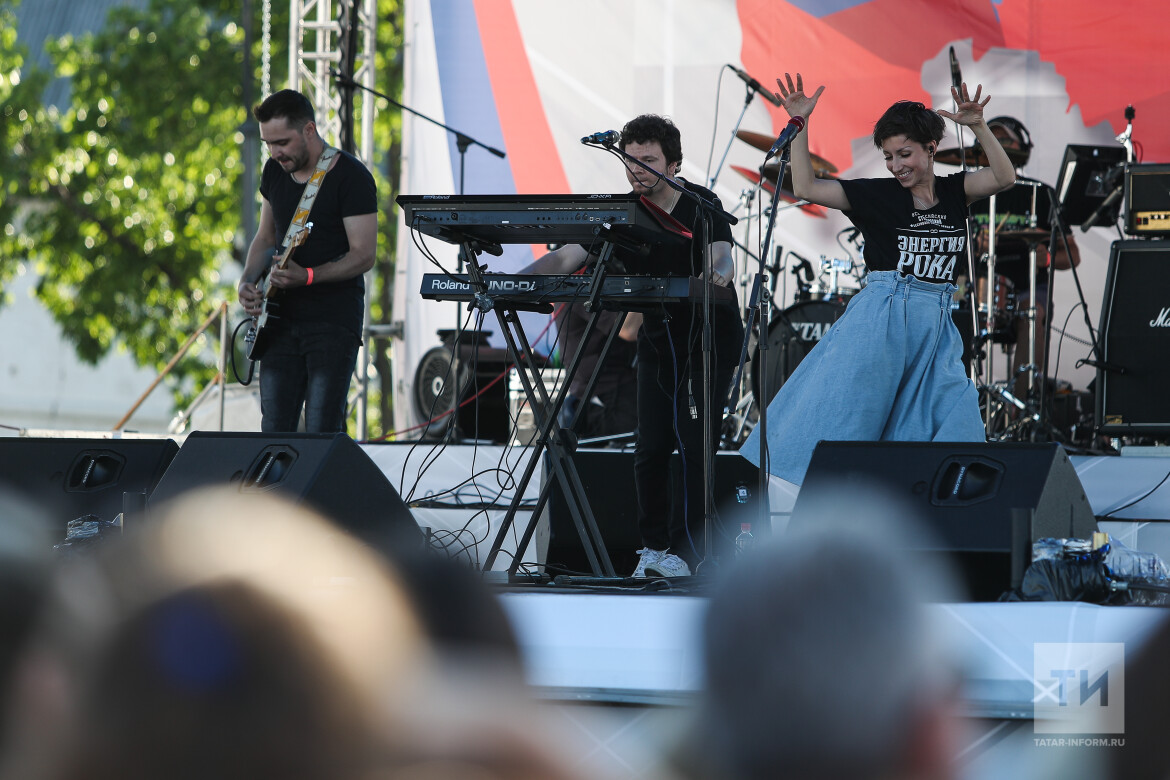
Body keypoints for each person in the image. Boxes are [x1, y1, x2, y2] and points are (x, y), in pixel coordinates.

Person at [742, 74, 1016, 485]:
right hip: (883, 316)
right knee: (853, 420)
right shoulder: (878, 195)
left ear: (931, 148)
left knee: (957, 415)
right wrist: (800, 123)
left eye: (905, 153)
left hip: (935, 323)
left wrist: (978, 126)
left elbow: (1005, 177)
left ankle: (945, 509)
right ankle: (828, 504)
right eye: (889, 157)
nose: (896, 165)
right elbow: (806, 186)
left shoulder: (956, 191)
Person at [526, 114, 743, 578]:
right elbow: (566, 256)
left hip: (707, 341)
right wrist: (516, 281)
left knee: (694, 446)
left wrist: (717, 273)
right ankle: (655, 549)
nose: (636, 170)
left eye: (648, 161)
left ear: (674, 163)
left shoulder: (702, 205)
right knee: (650, 447)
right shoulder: (622, 213)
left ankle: (693, 552)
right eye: (630, 160)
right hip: (658, 341)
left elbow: (722, 256)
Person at [237, 89, 377, 433]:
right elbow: (266, 237)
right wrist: (247, 281)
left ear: (309, 130)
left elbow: (364, 255)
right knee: (274, 430)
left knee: (321, 429)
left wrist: (310, 276)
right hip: (277, 322)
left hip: (332, 322)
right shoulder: (273, 172)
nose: (275, 152)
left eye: (282, 142)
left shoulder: (351, 176)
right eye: (269, 144)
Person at [968, 116, 1081, 401]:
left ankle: (1021, 408)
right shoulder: (967, 191)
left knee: (1033, 312)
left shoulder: (1039, 193)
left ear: (1023, 149)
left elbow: (1073, 255)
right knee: (948, 312)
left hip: (1025, 288)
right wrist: (971, 246)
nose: (998, 145)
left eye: (1006, 140)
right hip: (975, 288)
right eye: (992, 140)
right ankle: (956, 406)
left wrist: (1047, 259)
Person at [554, 301, 638, 442]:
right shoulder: (583, 292)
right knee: (655, 430)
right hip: (605, 390)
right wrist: (649, 291)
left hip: (618, 381)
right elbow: (628, 329)